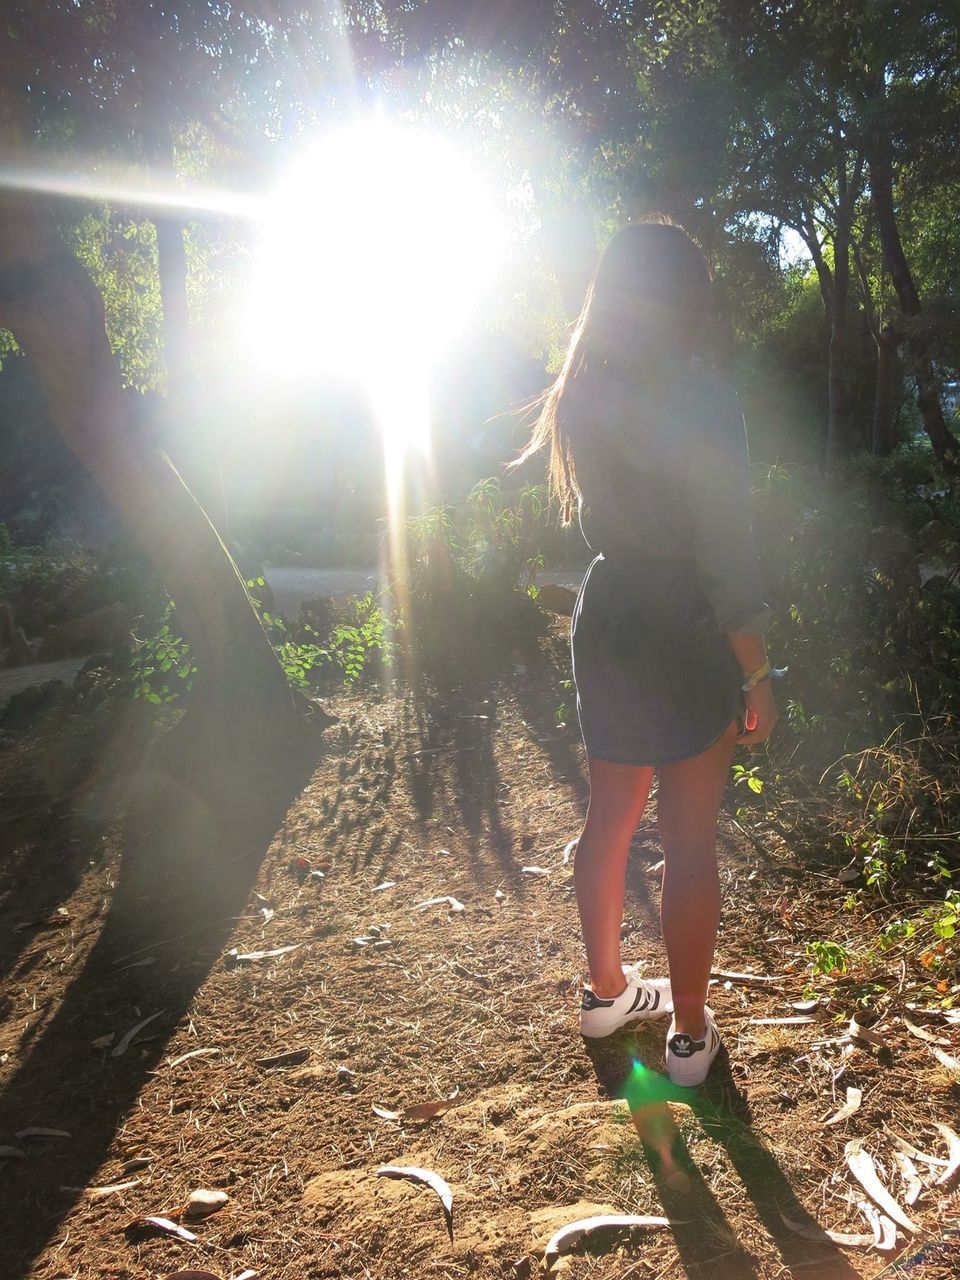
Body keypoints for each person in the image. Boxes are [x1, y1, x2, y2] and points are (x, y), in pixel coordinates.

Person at [516, 219, 778, 1086]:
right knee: (690, 841)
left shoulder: (583, 392)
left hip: (611, 609)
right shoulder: (706, 401)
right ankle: (691, 1040)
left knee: (611, 817)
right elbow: (728, 556)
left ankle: (604, 994)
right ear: (688, 300)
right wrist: (758, 672)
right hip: (685, 622)